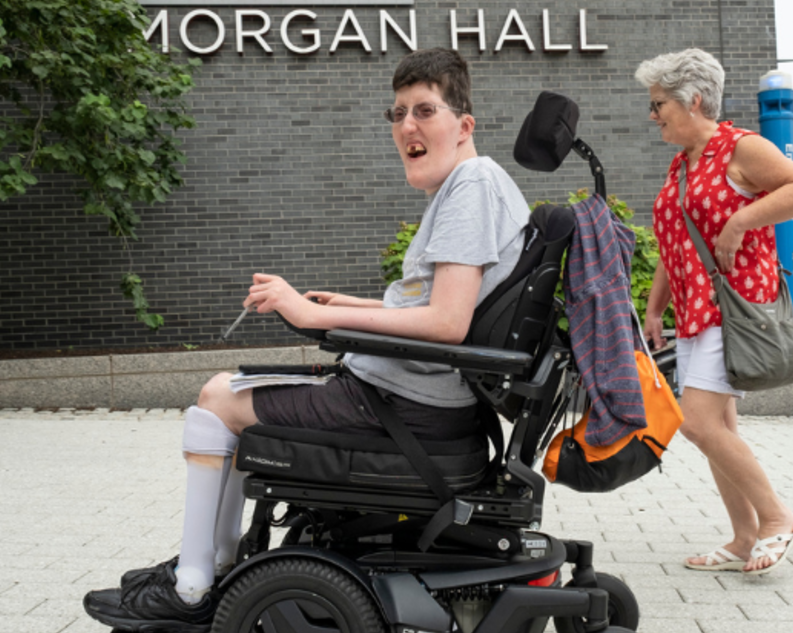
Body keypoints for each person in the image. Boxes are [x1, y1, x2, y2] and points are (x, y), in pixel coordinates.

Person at [83, 47, 531, 631]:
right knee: (230, 394)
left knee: (218, 398)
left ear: (464, 125)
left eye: (424, 111)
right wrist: (347, 305)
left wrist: (314, 318)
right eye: (396, 114)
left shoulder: (470, 187)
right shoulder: (473, 184)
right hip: (412, 401)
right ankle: (208, 566)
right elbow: (445, 306)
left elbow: (447, 324)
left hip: (406, 412)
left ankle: (193, 585)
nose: (407, 127)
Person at [637, 48, 793, 574]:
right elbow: (677, 244)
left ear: (693, 100)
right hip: (697, 311)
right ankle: (744, 537)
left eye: (659, 105)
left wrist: (742, 222)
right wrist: (655, 310)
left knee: (696, 423)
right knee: (720, 429)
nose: (653, 117)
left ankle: (777, 517)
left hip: (734, 306)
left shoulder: (741, 148)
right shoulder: (682, 164)